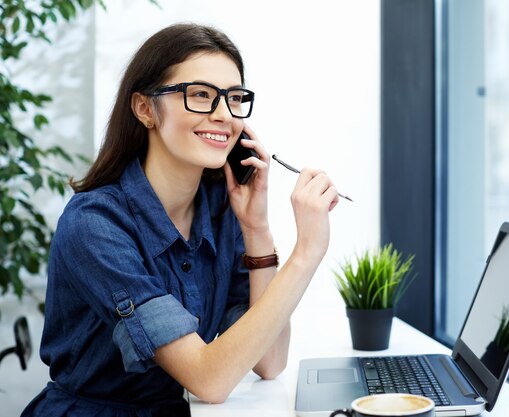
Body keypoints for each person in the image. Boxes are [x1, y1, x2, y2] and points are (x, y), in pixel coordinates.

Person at [22, 23, 339, 417]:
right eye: (201, 95)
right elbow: (209, 379)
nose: (225, 115)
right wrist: (305, 254)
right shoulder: (95, 225)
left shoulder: (222, 211)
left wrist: (257, 231)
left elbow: (270, 361)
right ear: (144, 109)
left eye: (234, 98)